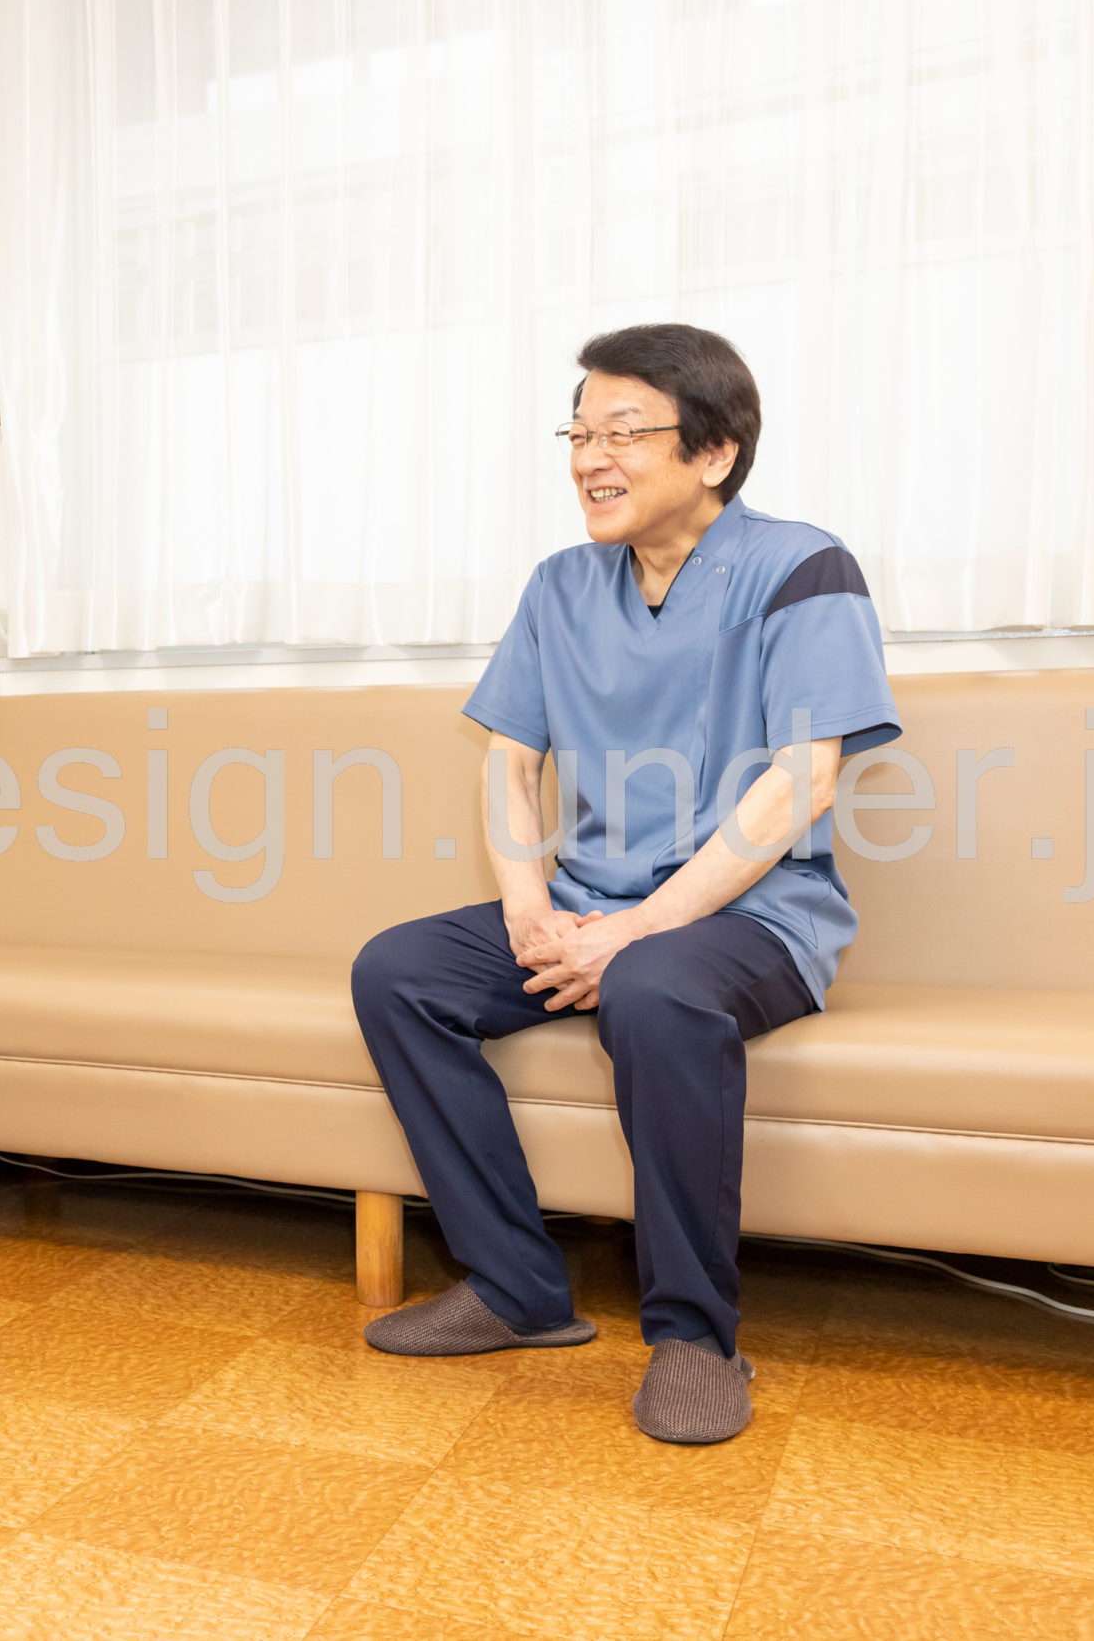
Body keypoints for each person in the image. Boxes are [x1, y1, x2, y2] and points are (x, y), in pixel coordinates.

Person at [349, 323, 899, 1444]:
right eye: (578, 432)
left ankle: (695, 1337)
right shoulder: (560, 586)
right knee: (399, 971)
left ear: (715, 451)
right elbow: (512, 761)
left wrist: (636, 931)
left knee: (653, 987)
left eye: (625, 432)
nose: (590, 457)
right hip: (590, 904)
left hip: (755, 920)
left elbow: (802, 780)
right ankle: (515, 1287)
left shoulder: (802, 569)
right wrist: (527, 906)